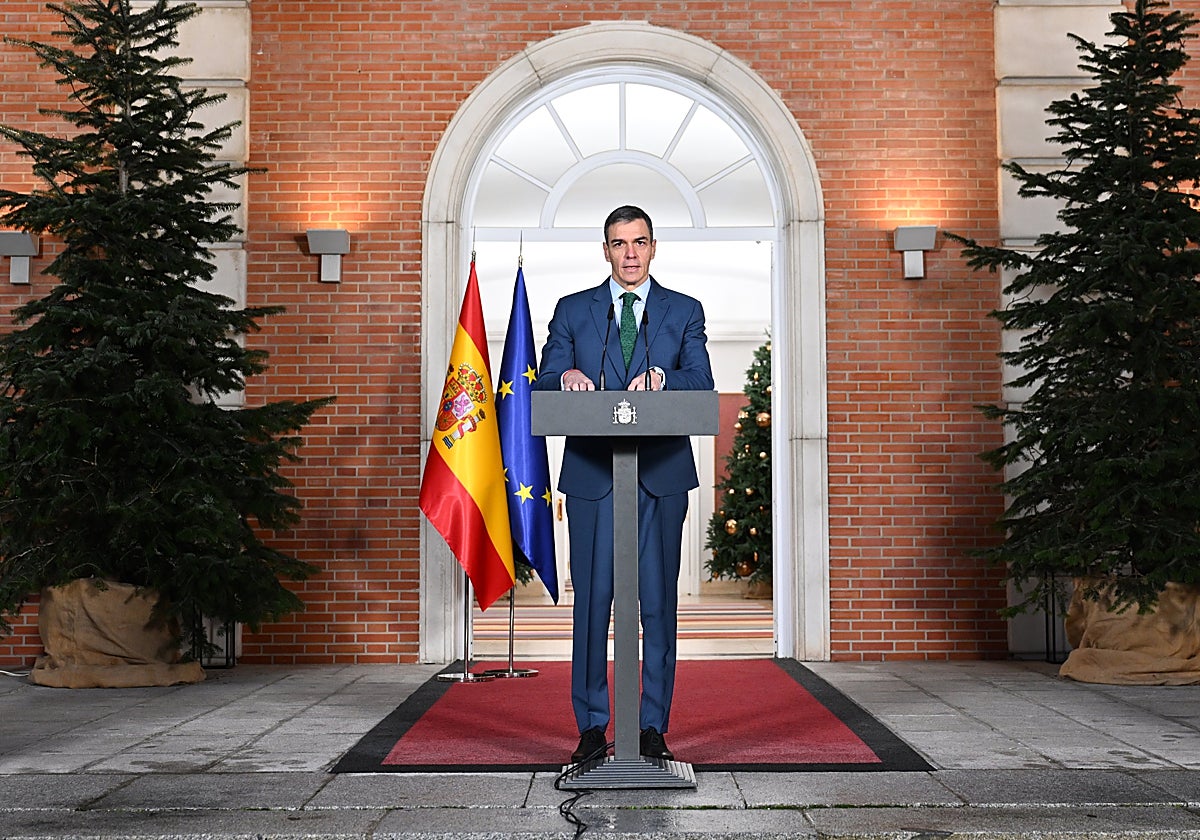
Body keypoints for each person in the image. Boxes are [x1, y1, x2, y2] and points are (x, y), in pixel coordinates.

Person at [534, 205, 714, 764]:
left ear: (653, 247)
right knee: (592, 605)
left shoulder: (684, 310)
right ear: (606, 250)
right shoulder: (572, 310)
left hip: (660, 478)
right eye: (619, 243)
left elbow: (701, 381)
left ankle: (652, 727)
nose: (630, 253)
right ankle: (592, 727)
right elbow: (544, 379)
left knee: (658, 606)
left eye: (639, 242)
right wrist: (565, 375)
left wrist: (664, 377)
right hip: (594, 476)